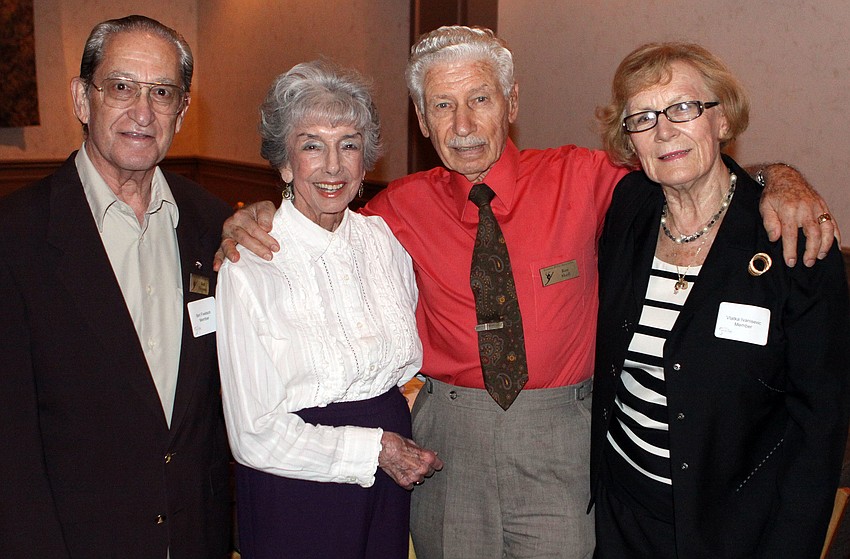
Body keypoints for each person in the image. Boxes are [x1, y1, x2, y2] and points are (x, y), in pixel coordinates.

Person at [215, 27, 837, 558]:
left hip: (562, 445)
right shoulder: (394, 210)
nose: (463, 126)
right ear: (421, 118)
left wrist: (780, 178)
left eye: (480, 99)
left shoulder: (586, 179)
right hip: (446, 444)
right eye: (441, 105)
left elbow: (680, 164)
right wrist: (253, 219)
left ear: (511, 103)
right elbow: (323, 221)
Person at [590, 42, 850, 558]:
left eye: (684, 108)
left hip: (733, 526)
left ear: (723, 121)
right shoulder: (629, 207)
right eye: (642, 117)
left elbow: (820, 430)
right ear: (629, 141)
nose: (664, 131)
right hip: (623, 513)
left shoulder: (792, 241)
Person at [0, 15, 232, 558]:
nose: (142, 113)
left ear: (183, 109)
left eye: (162, 92)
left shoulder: (215, 228)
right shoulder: (15, 238)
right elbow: (9, 445)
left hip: (195, 538)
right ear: (82, 99)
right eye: (121, 87)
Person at [215, 60, 443, 559]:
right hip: (297, 484)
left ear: (367, 161)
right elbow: (252, 435)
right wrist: (373, 448)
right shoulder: (249, 265)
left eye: (349, 144)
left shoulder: (388, 242)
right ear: (284, 161)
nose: (333, 166)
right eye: (312, 145)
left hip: (391, 475)